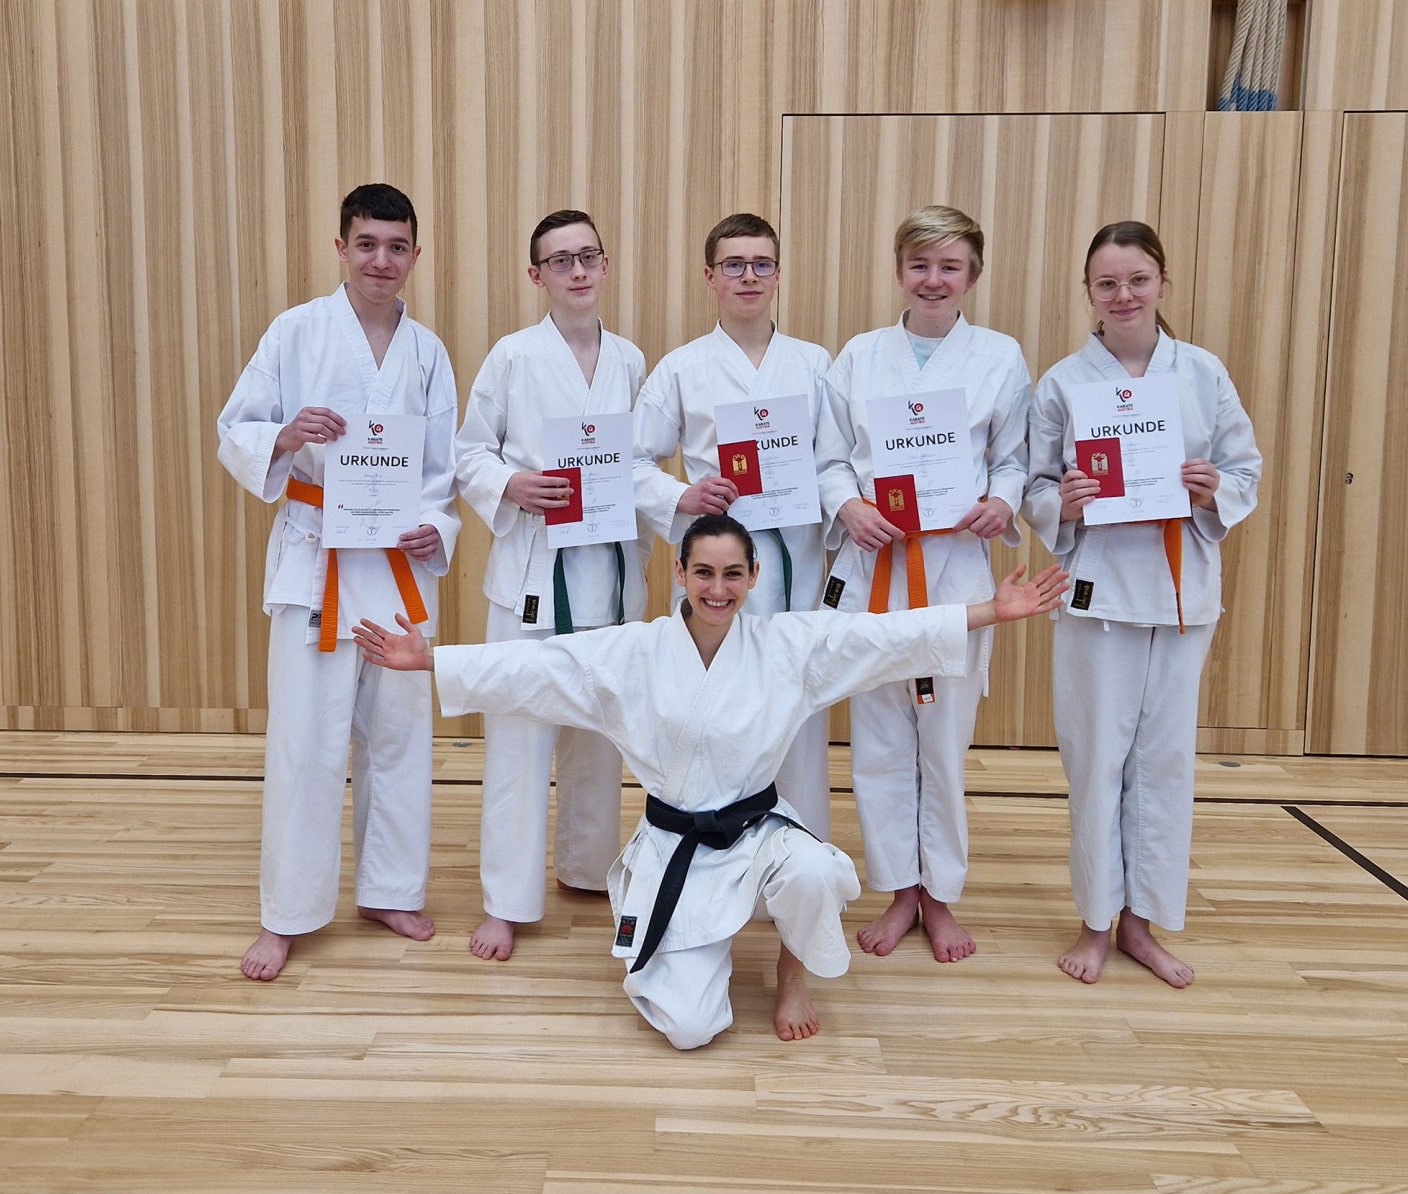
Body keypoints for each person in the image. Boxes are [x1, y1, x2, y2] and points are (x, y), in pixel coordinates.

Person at [353, 515, 1070, 1048]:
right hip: (678, 848)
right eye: (703, 573)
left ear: (753, 577)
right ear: (680, 574)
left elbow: (884, 637)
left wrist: (991, 611)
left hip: (759, 836)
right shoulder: (636, 652)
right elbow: (539, 667)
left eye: (732, 575)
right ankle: (693, 948)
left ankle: (791, 975)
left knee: (818, 870)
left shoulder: (789, 645)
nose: (717, 589)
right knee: (691, 1027)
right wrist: (430, 660)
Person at [215, 183, 461, 981]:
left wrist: (438, 526)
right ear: (341, 247)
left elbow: (443, 469)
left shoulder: (428, 352)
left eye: (396, 247)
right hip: (315, 559)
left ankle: (390, 891)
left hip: (394, 567)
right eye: (367, 244)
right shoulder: (295, 332)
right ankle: (287, 913)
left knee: (399, 739)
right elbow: (236, 429)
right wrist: (287, 435)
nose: (381, 260)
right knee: (306, 743)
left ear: (415, 255)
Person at [1021, 220, 1262, 987]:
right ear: (1089, 293)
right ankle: (1096, 921)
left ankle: (1141, 924)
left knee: (1164, 764)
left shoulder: (1203, 372)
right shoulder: (1063, 382)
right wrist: (1064, 501)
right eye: (1107, 283)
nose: (1123, 295)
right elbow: (1034, 486)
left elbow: (1245, 468)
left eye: (1137, 280)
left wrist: (1212, 487)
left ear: (1162, 282)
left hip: (1182, 592)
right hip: (1099, 594)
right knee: (1097, 761)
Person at [813, 205, 1031, 963]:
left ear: (973, 275)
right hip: (877, 565)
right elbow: (830, 457)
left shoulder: (1000, 356)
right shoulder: (859, 356)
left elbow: (1014, 458)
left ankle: (940, 894)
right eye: (920, 265)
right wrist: (848, 505)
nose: (933, 280)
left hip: (953, 568)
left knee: (942, 742)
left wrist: (1002, 500)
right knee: (878, 741)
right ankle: (899, 889)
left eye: (949, 266)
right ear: (899, 271)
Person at [453, 209, 649, 962]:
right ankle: (506, 902)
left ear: (605, 265)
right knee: (520, 741)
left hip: (610, 572)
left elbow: (638, 463)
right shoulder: (512, 356)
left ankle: (588, 869)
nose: (577, 270)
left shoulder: (630, 359)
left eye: (588, 256)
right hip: (533, 575)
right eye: (560, 260)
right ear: (536, 274)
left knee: (600, 737)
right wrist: (512, 484)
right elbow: (469, 452)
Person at [631, 213, 836, 839]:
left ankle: (799, 860)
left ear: (778, 274)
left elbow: (836, 463)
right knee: (715, 717)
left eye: (761, 264)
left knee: (799, 718)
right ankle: (713, 857)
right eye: (734, 265)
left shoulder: (814, 364)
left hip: (796, 566)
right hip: (717, 578)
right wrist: (685, 494)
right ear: (710, 276)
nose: (749, 276)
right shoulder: (681, 368)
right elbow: (632, 463)